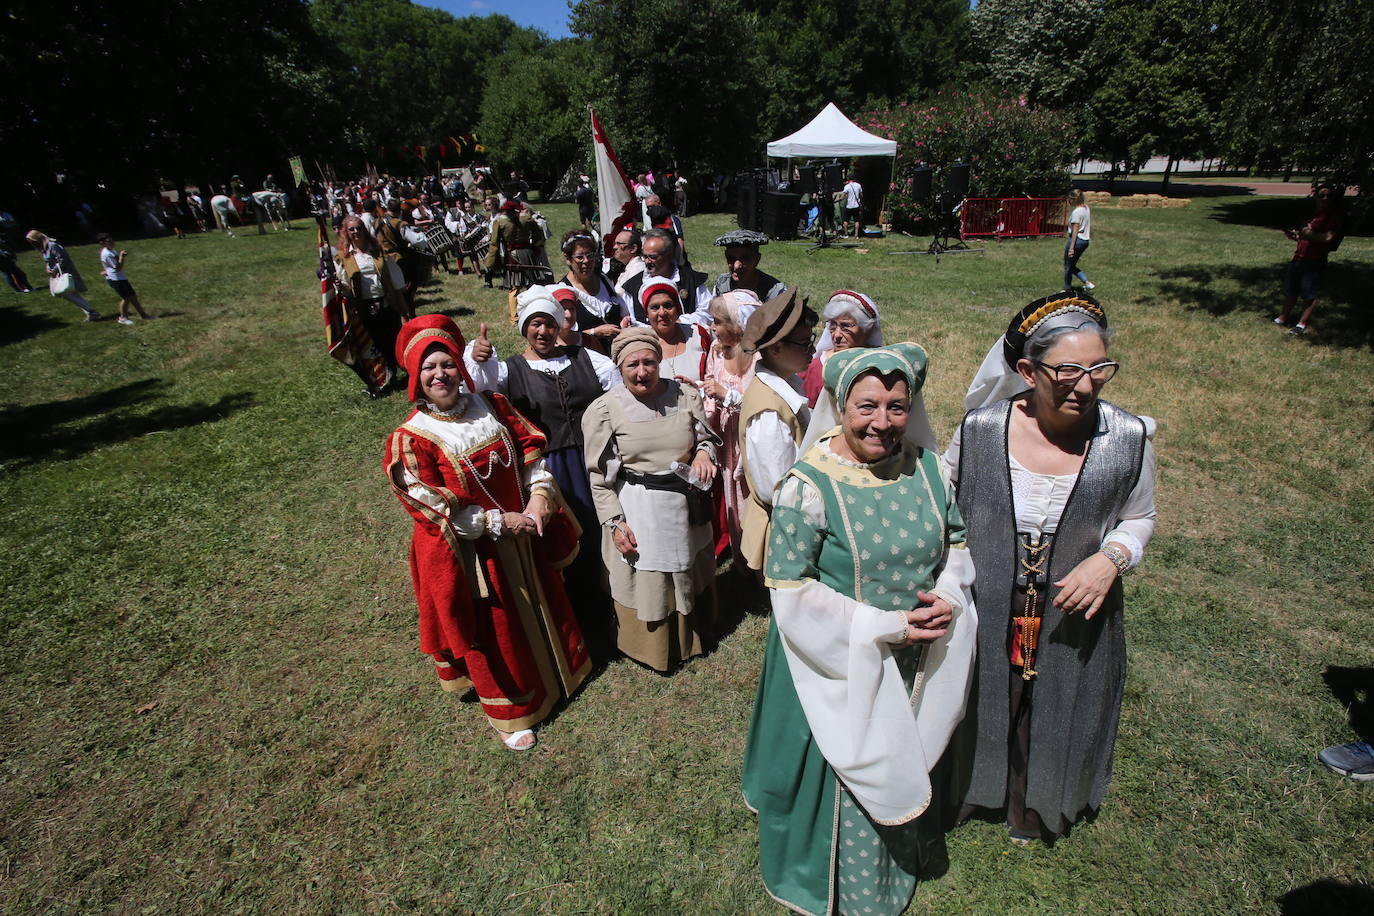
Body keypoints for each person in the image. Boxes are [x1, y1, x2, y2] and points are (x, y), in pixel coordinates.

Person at [742, 343, 977, 916]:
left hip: (914, 655)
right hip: (835, 658)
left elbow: (956, 544)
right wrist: (886, 625)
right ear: (840, 404)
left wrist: (947, 596)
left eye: (897, 406)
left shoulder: (926, 466)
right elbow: (791, 591)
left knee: (907, 750)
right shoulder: (807, 486)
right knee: (849, 766)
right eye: (867, 405)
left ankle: (903, 853)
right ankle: (840, 881)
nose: (882, 422)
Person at [948, 292, 1156, 844]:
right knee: (982, 692)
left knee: (1062, 700)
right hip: (989, 597)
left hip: (1073, 605)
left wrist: (1110, 560)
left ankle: (1041, 802)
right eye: (1068, 371)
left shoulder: (1128, 438)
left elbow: (1140, 517)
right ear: (1026, 370)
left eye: (1099, 369)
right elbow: (944, 496)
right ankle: (974, 787)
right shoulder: (980, 429)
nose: (1086, 386)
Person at [384, 314, 591, 751]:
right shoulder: (412, 439)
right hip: (473, 552)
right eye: (429, 368)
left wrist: (538, 495)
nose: (440, 374)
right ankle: (511, 711)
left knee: (544, 601)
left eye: (446, 364)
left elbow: (531, 448)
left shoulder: (492, 404)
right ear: (415, 378)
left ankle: (561, 672)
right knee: (495, 627)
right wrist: (498, 522)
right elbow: (429, 503)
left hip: (525, 531)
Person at [466, 287, 620, 658]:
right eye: (535, 324)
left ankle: (611, 608)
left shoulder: (589, 360)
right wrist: (478, 359)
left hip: (591, 462)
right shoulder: (509, 372)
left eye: (549, 324)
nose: (543, 332)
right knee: (563, 542)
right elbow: (479, 395)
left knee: (602, 533)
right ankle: (574, 619)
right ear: (524, 329)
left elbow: (617, 401)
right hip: (547, 471)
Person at [582, 329, 722, 672]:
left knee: (690, 564)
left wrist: (704, 453)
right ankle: (654, 647)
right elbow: (598, 478)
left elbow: (707, 438)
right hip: (640, 504)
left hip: (685, 499)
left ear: (660, 362)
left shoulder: (684, 395)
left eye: (649, 362)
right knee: (652, 574)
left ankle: (695, 632)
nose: (642, 371)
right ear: (620, 367)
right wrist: (615, 523)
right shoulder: (605, 410)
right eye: (633, 365)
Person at [736, 288, 817, 573]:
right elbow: (778, 489)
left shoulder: (787, 384)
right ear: (775, 348)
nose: (813, 350)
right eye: (805, 344)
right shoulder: (769, 411)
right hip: (786, 531)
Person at [701, 289, 761, 564]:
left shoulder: (757, 359)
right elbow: (710, 381)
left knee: (752, 495)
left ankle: (760, 555)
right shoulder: (716, 351)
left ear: (738, 325)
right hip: (727, 439)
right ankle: (742, 558)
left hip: (750, 438)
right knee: (731, 496)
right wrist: (703, 394)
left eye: (717, 321)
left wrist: (727, 395)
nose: (712, 327)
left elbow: (758, 400)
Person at [335, 215, 407, 374]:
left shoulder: (376, 250)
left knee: (393, 338)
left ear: (364, 230)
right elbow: (346, 285)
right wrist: (342, 286)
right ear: (346, 232)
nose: (356, 232)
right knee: (374, 342)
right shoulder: (344, 256)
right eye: (351, 229)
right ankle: (385, 374)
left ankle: (402, 367)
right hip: (363, 307)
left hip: (385, 301)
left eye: (359, 228)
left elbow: (393, 276)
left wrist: (401, 302)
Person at [1275, 183, 1345, 335]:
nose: (1325, 198)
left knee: (1309, 294)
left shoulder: (1333, 217)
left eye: (1329, 196)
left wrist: (1307, 233)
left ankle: (1301, 324)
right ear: (1316, 197)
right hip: (1299, 257)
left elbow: (1328, 238)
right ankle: (1282, 318)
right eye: (1322, 195)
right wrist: (1296, 236)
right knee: (1291, 290)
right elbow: (1306, 236)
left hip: (1314, 260)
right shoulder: (1314, 215)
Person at [801, 289, 885, 406]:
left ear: (867, 330)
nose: (837, 335)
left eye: (846, 326)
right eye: (833, 325)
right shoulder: (815, 370)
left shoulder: (881, 368)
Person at [620, 229, 711, 326]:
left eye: (653, 257)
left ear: (668, 255)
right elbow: (630, 319)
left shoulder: (691, 280)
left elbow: (707, 313)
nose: (647, 261)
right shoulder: (633, 286)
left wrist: (681, 323)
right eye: (645, 256)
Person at [557, 229, 628, 353]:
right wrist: (595, 332)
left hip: (618, 352)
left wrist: (624, 320)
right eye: (579, 257)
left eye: (590, 255)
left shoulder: (603, 279)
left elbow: (622, 310)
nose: (586, 261)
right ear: (568, 259)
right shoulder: (563, 291)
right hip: (585, 358)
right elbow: (561, 337)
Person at [638, 281, 712, 385]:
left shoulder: (698, 335)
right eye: (655, 307)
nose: (662, 312)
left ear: (677, 308)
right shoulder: (640, 345)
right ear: (646, 313)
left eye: (668, 306)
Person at [25, 230, 98, 321]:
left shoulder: (53, 246)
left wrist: (54, 270)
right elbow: (48, 261)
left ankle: (90, 311)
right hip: (57, 274)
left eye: (32, 241)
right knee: (72, 293)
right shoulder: (44, 248)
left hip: (65, 272)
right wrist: (48, 267)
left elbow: (62, 260)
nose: (32, 244)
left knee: (66, 293)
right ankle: (90, 313)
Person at [710, 229, 786, 302]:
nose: (736, 266)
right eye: (731, 259)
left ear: (757, 259)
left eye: (744, 259)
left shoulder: (775, 292)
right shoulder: (722, 284)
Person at [96, 234, 152, 325]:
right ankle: (123, 318)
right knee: (126, 298)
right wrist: (122, 256)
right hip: (115, 279)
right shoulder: (107, 254)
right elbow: (118, 268)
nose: (112, 242)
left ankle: (144, 315)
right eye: (109, 241)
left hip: (121, 278)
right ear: (102, 243)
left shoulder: (109, 250)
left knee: (133, 296)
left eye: (112, 240)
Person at [1063, 189, 1095, 290]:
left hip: (1077, 240)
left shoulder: (1077, 212)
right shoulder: (1086, 208)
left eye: (1069, 199)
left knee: (1068, 266)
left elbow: (1075, 231)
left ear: (1073, 199)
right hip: (1085, 241)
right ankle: (1087, 282)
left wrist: (1071, 248)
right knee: (1072, 265)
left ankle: (1067, 289)